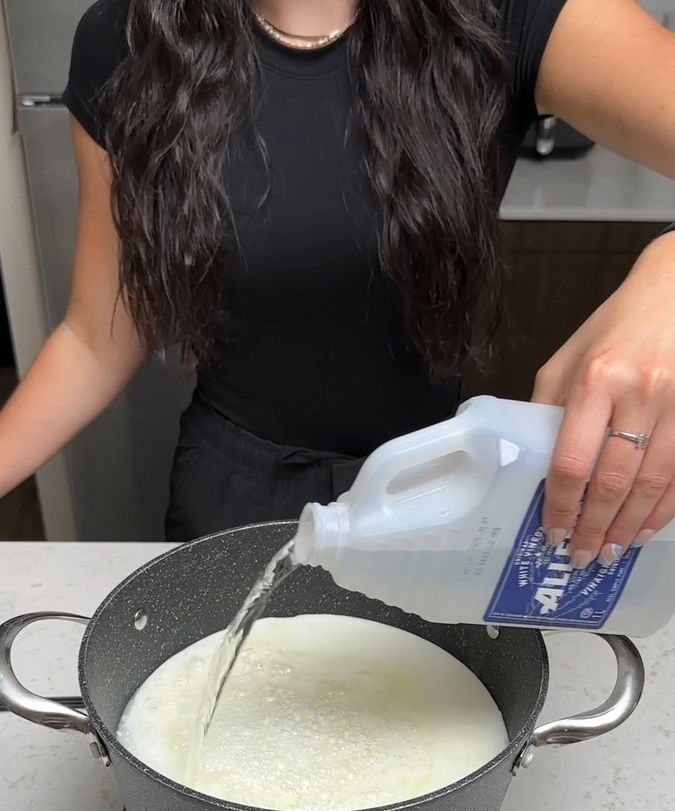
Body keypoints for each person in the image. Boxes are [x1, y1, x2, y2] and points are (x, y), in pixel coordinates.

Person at [1, 0, 674, 569]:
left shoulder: (504, 14)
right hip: (230, 494)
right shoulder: (122, 39)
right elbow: (98, 334)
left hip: (431, 489)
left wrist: (663, 280)